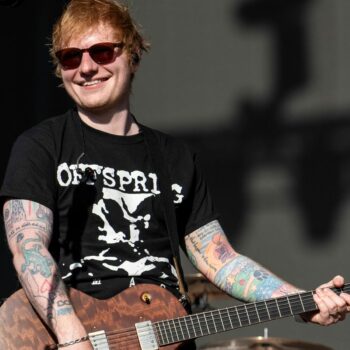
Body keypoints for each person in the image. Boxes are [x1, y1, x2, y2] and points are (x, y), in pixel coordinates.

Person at [1, 0, 349, 349]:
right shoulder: (42, 146)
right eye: (71, 57)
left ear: (133, 54)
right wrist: (72, 334)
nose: (87, 68)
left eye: (103, 52)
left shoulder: (173, 157)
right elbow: (28, 249)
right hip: (72, 334)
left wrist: (303, 301)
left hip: (163, 331)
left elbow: (221, 261)